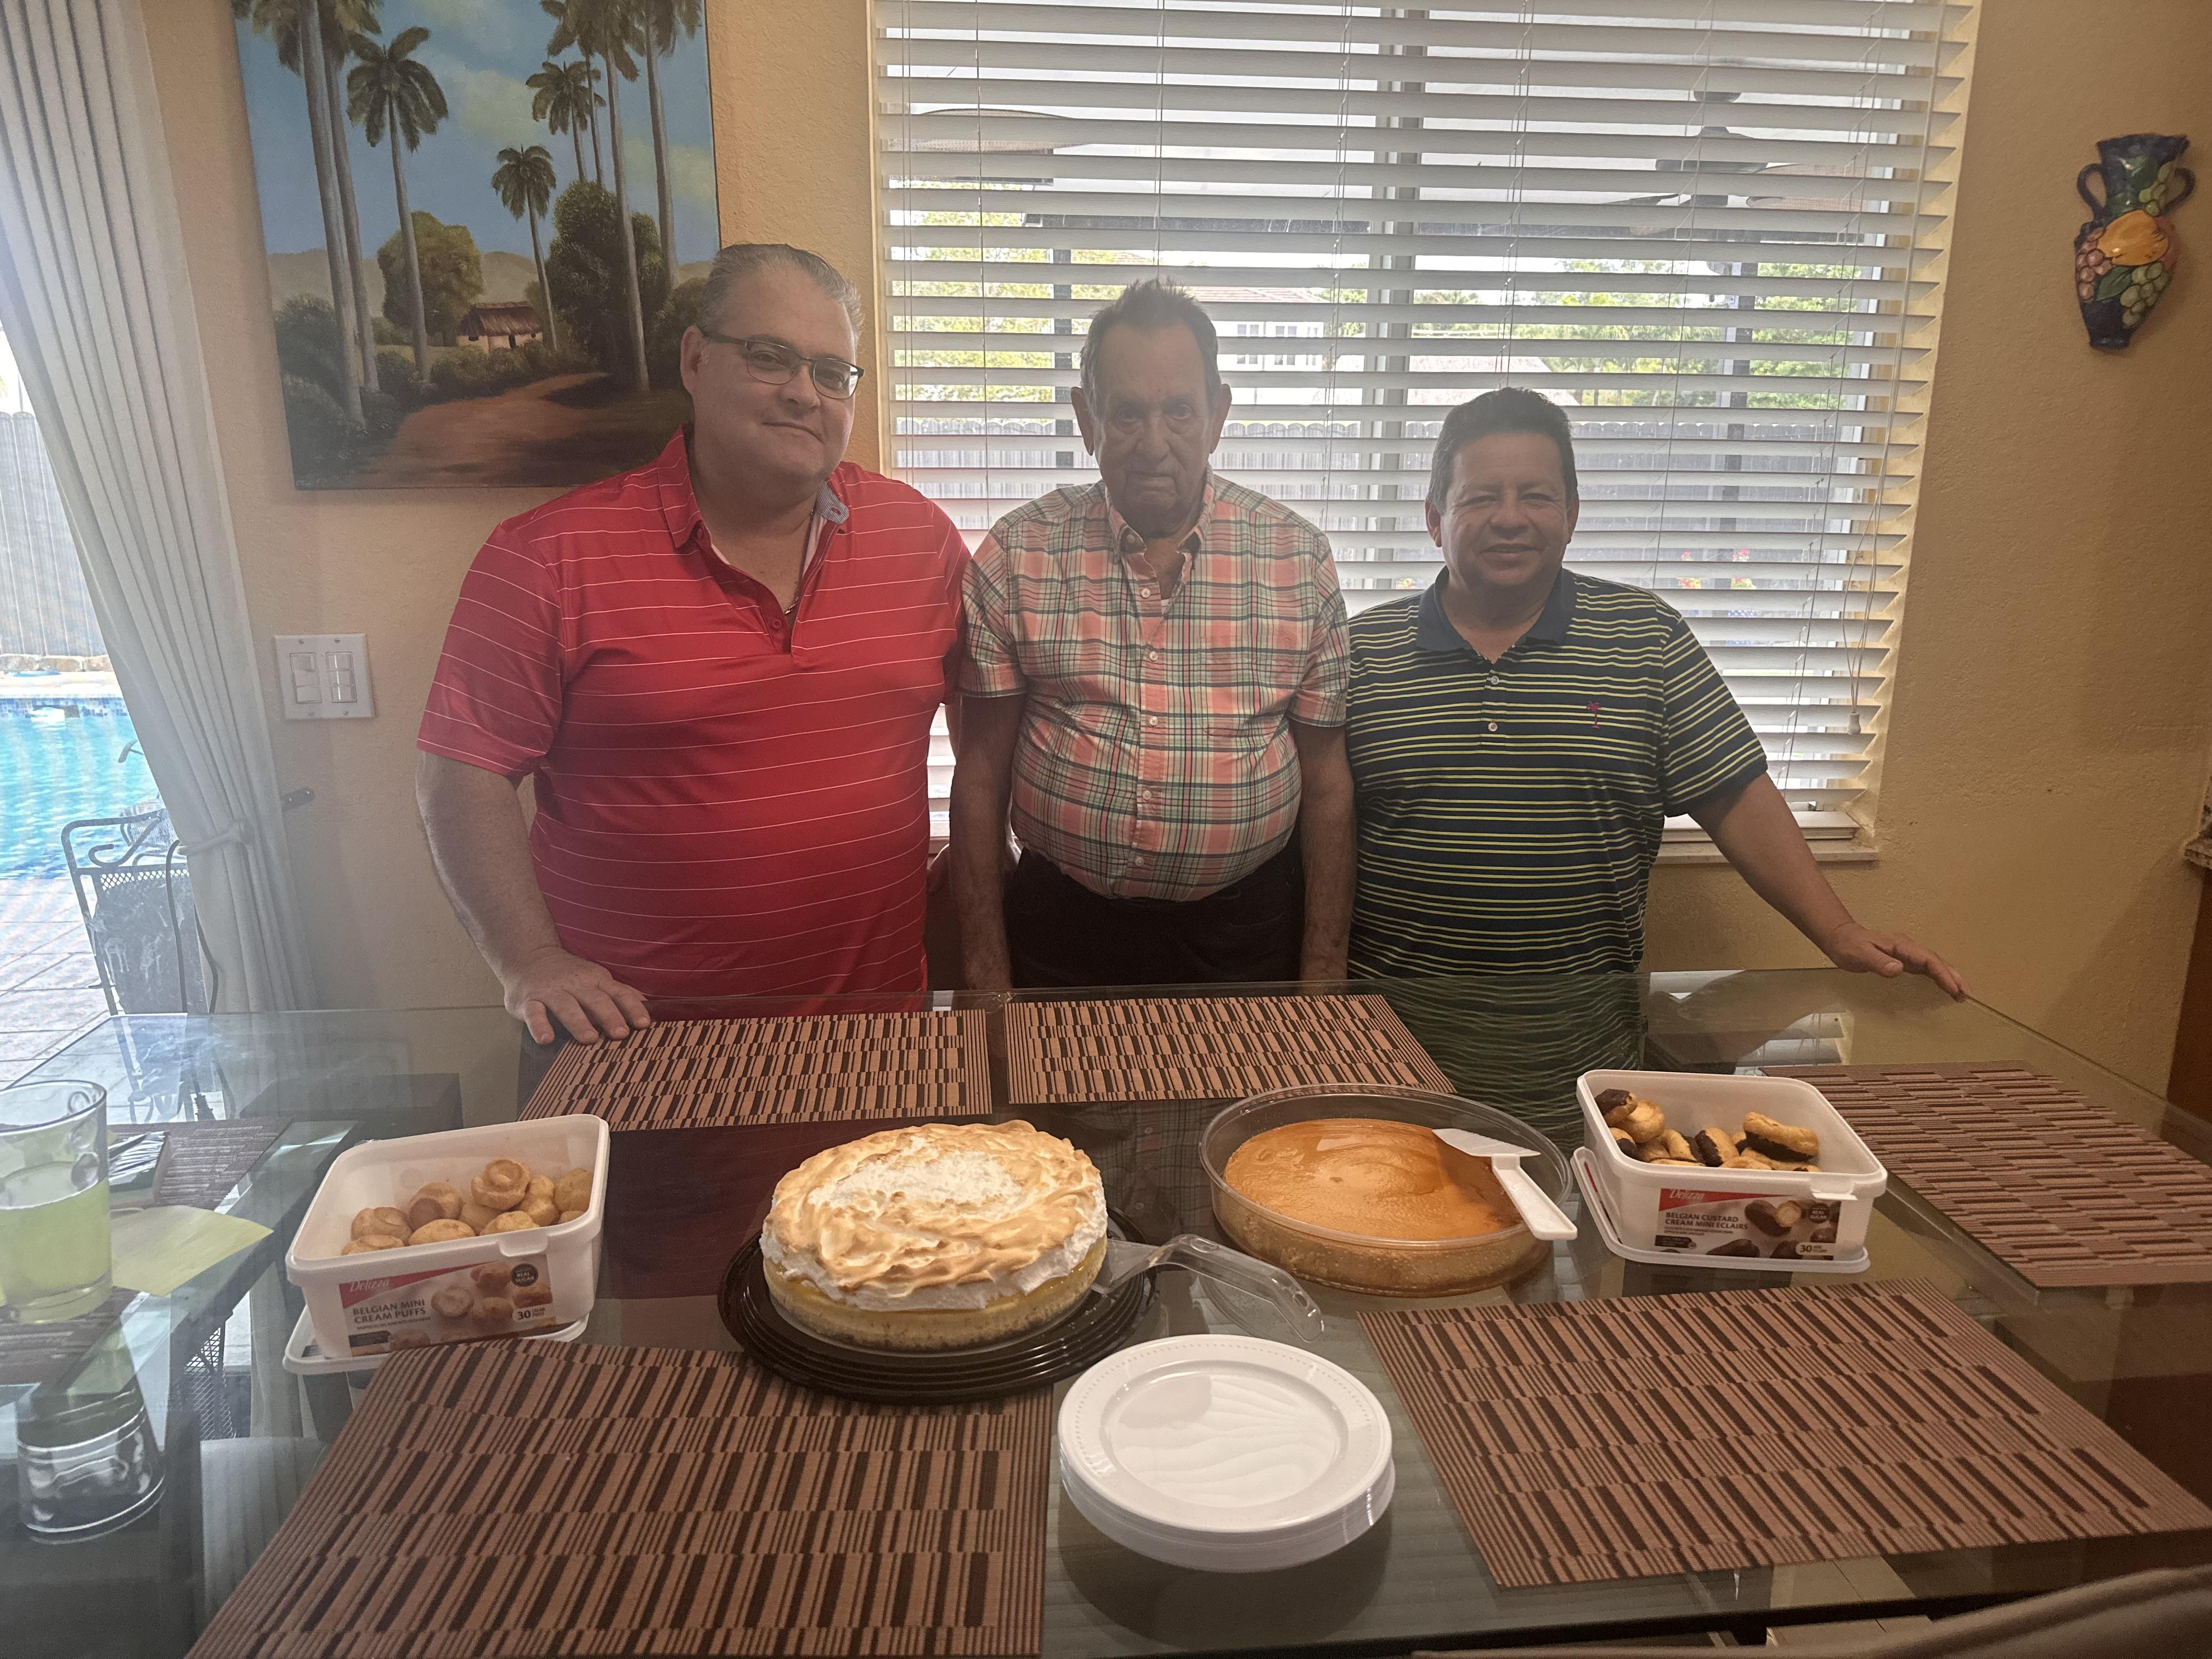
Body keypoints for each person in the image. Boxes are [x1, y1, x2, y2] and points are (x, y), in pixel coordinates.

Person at [416, 244, 968, 1045]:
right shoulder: (545, 556)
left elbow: (1000, 728)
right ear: (696, 358)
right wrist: (529, 961)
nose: (802, 394)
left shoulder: (918, 539)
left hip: (874, 1040)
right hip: (636, 1047)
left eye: (831, 372)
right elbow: (460, 776)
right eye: (771, 357)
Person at [1347, 387, 1965, 997]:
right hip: (1392, 1037)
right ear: (1435, 519)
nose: (1510, 518)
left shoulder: (1647, 637)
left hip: (1587, 1040)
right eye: (1481, 498)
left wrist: (1838, 931)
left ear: (1572, 515)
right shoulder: (1357, 650)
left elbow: (1735, 796)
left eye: (1536, 496)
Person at [950, 280, 1355, 989]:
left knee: (1241, 1105)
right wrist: (985, 980)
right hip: (1062, 936)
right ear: (1087, 418)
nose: (1155, 444)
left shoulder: (1300, 559)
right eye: (1127, 414)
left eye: (1180, 410)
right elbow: (980, 779)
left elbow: (1327, 787)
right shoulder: (1018, 555)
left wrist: (1324, 975)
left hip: (1247, 938)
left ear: (1219, 414)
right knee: (1048, 1104)